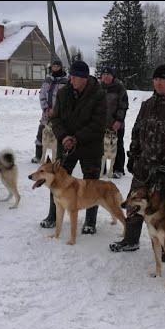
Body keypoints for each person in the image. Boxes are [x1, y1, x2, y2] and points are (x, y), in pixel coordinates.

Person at [109, 64, 165, 252]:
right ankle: (130, 239)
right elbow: (136, 131)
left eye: (163, 80)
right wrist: (133, 154)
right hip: (143, 166)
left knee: (164, 211)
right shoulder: (147, 105)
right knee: (134, 205)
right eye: (156, 79)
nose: (159, 83)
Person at [41, 60, 106, 234]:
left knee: (92, 183)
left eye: (76, 77)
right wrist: (63, 137)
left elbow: (99, 124)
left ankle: (90, 221)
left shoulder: (98, 94)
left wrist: (76, 138)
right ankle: (53, 215)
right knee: (56, 179)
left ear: (85, 78)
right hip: (66, 144)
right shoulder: (63, 93)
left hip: (90, 145)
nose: (72, 80)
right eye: (71, 76)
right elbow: (55, 119)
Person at [33, 60, 68, 163]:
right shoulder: (47, 79)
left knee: (59, 134)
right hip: (46, 112)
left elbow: (65, 98)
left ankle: (60, 157)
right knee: (41, 132)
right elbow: (42, 94)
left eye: (57, 66)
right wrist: (45, 108)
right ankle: (38, 156)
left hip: (59, 113)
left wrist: (56, 110)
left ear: (61, 67)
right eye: (54, 66)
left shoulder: (65, 81)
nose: (55, 68)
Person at [99, 66, 128, 178]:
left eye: (108, 75)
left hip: (116, 123)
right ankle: (102, 169)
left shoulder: (119, 87)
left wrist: (119, 120)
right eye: (104, 75)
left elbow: (123, 105)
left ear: (112, 76)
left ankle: (118, 169)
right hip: (102, 124)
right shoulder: (98, 87)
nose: (106, 77)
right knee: (101, 147)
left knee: (118, 145)